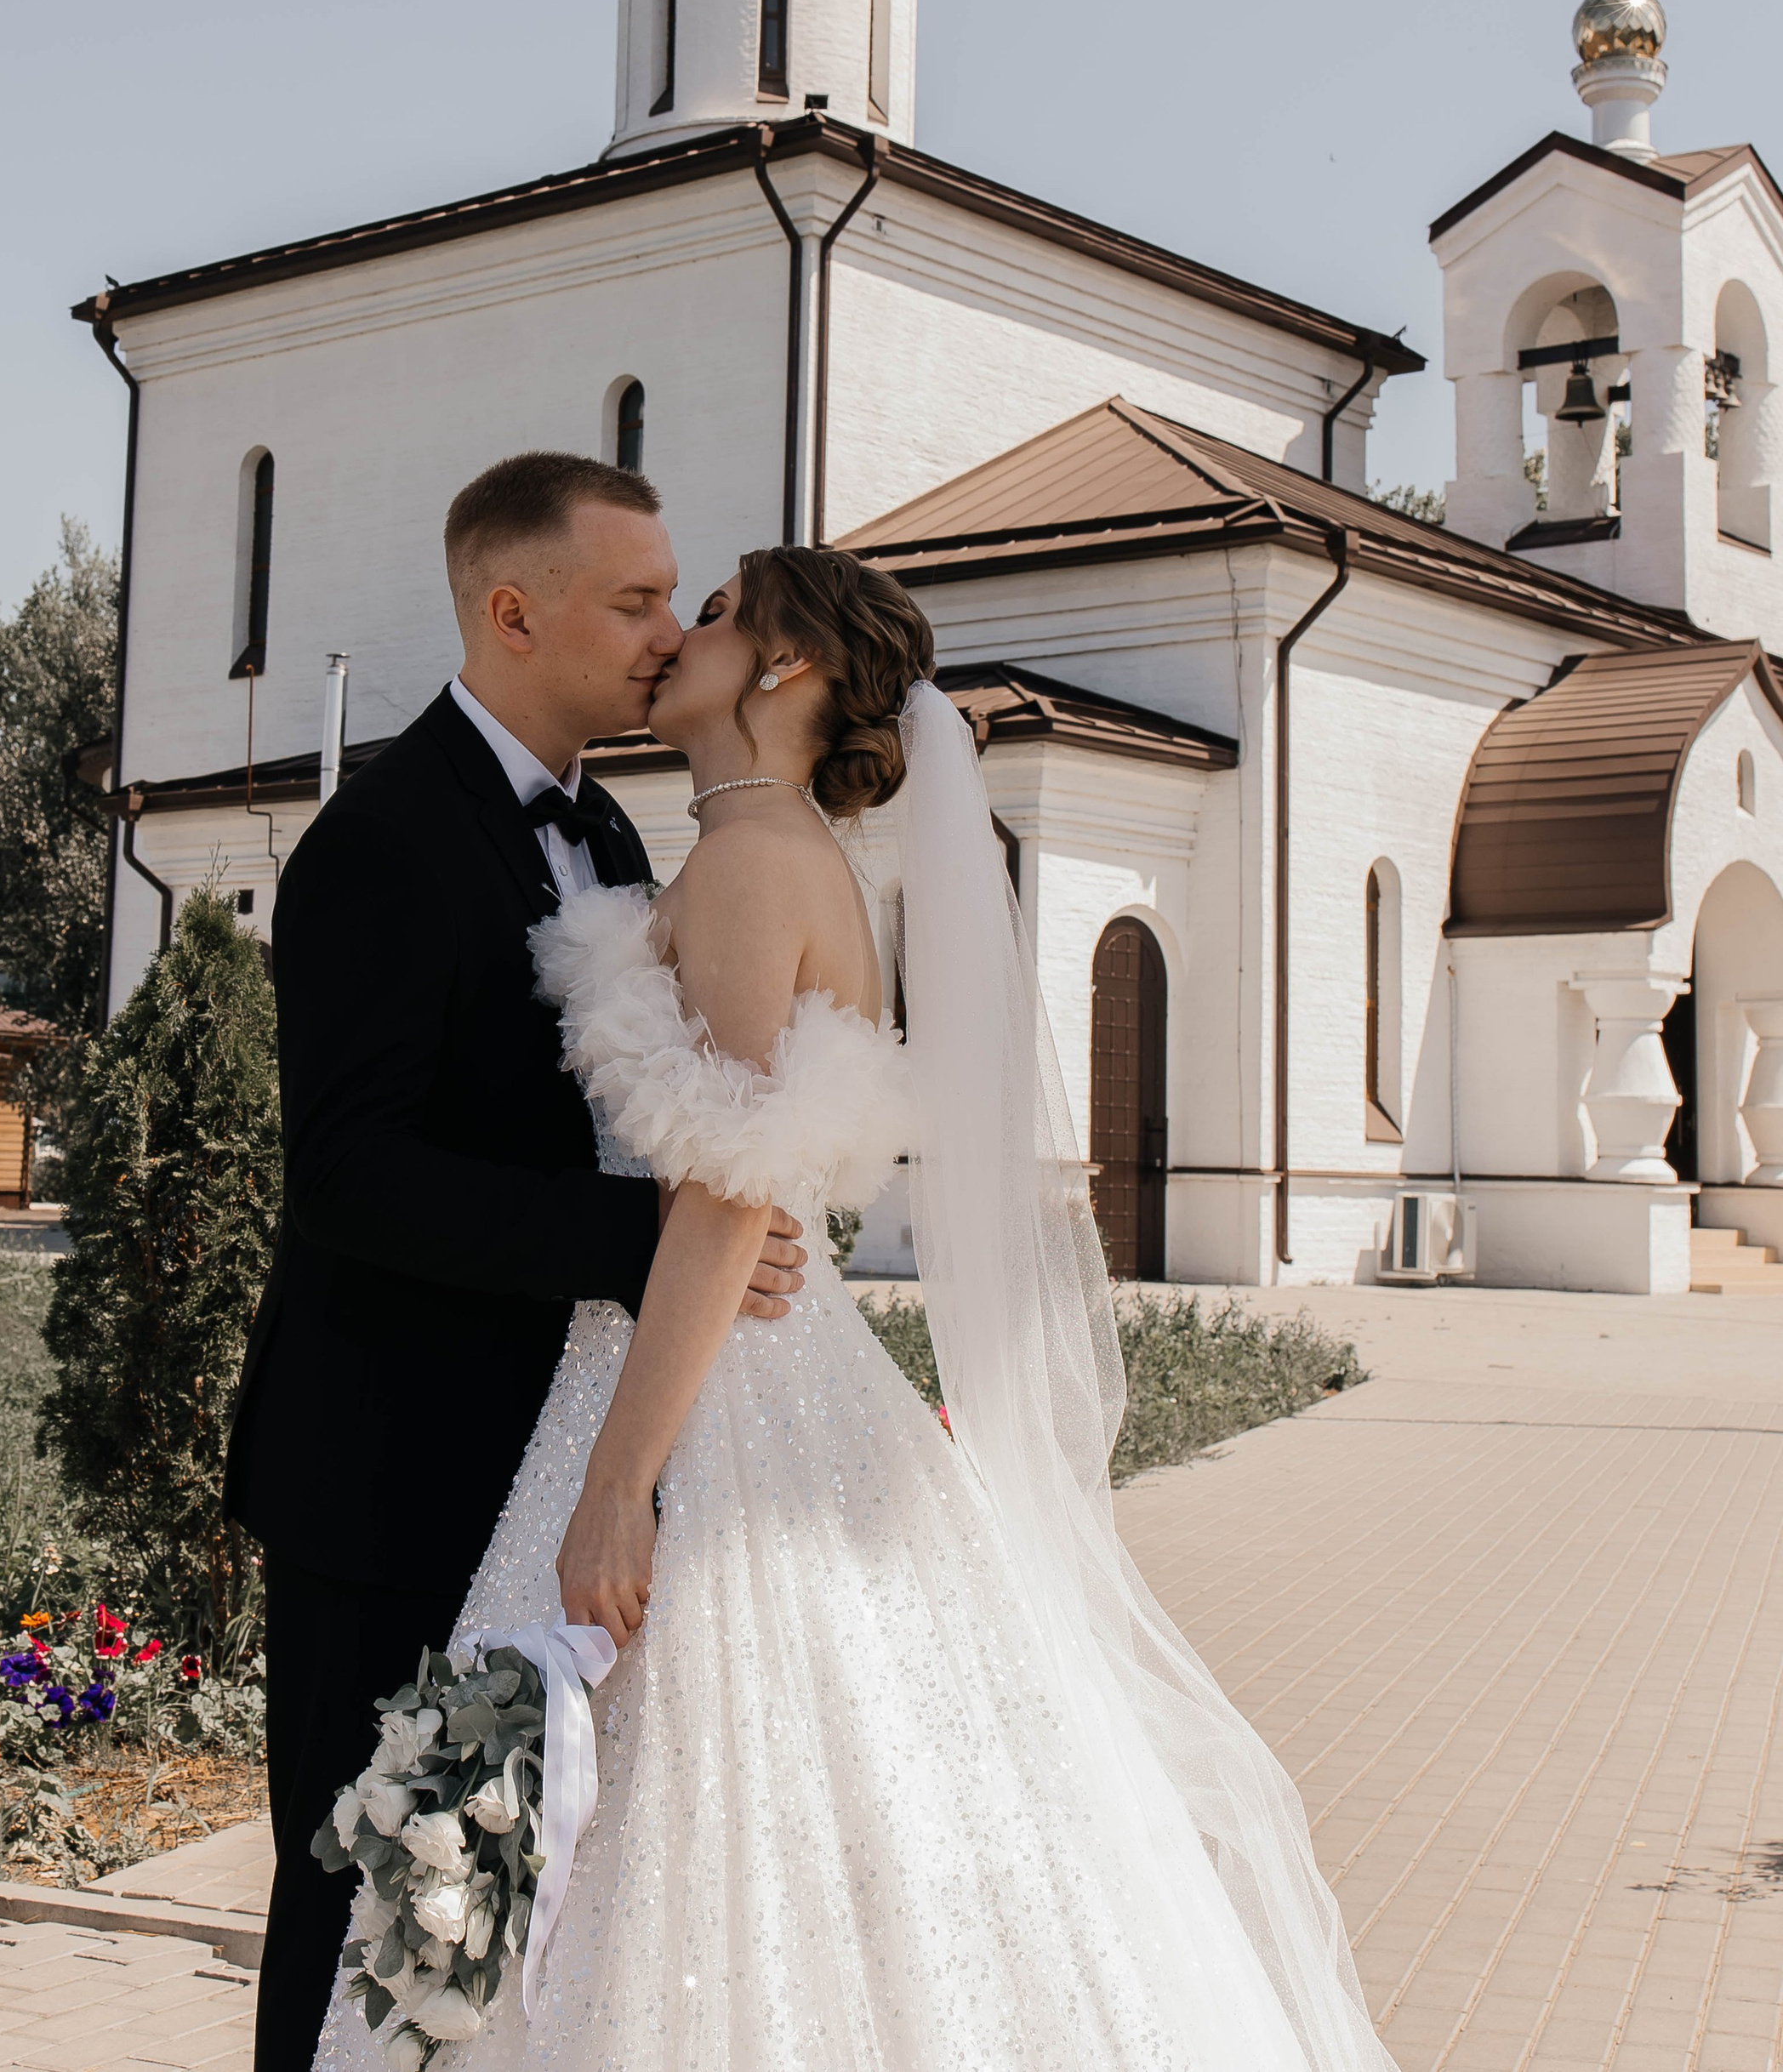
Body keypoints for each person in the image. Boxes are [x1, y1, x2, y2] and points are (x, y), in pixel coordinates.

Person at [316, 544, 1396, 2072]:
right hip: (708, 1363)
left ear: (784, 669)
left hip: (714, 1401)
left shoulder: (758, 861)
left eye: (709, 613)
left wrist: (620, 1484)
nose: (672, 637)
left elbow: (727, 1192)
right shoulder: (737, 843)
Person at [226, 454, 810, 2072]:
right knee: (365, 1901)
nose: (665, 630)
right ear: (510, 608)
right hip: (393, 1478)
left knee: (508, 1914)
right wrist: (647, 1239)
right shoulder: (376, 842)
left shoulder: (616, 833)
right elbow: (351, 1175)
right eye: (633, 600)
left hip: (549, 1470)